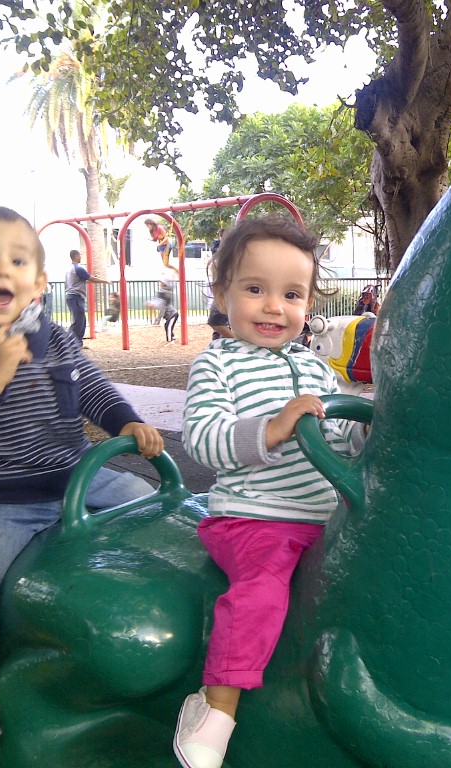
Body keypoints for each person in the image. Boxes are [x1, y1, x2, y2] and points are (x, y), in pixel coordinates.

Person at [0, 206, 165, 752]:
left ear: (38, 282)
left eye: (16, 260)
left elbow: (92, 389)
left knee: (143, 498)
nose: (1, 270)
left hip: (73, 475)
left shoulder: (55, 338)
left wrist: (127, 421)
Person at [176, 216, 367, 768]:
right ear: (222, 294)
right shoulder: (217, 363)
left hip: (324, 519)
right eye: (255, 289)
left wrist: (368, 430)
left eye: (291, 294)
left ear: (309, 304)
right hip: (254, 518)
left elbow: (341, 438)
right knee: (260, 592)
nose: (273, 307)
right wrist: (272, 428)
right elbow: (203, 440)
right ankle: (215, 709)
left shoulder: (316, 368)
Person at [65, 249, 108, 346]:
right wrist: (105, 281)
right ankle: (69, 342)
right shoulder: (78, 269)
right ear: (76, 256)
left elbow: (84, 280)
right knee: (78, 321)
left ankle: (77, 342)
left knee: (81, 321)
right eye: (79, 255)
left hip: (73, 296)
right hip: (75, 296)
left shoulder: (70, 269)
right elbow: (91, 278)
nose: (81, 257)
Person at [146, 264, 180, 343]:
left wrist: (157, 320)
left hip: (173, 314)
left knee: (168, 326)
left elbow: (161, 310)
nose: (160, 284)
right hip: (169, 313)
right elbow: (157, 302)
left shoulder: (165, 293)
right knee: (167, 325)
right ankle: (172, 336)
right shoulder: (162, 293)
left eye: (162, 283)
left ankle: (170, 340)